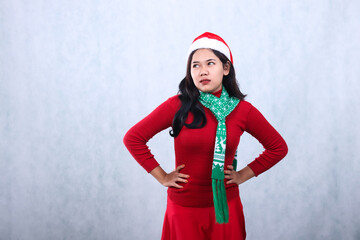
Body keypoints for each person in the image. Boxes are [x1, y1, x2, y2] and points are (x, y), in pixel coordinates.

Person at [123, 32, 288, 240]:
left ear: (225, 68)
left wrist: (243, 175)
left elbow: (278, 147)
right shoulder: (178, 105)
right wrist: (163, 176)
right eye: (196, 65)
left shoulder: (242, 110)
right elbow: (133, 138)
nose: (202, 71)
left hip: (225, 208)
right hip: (184, 209)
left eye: (210, 63)